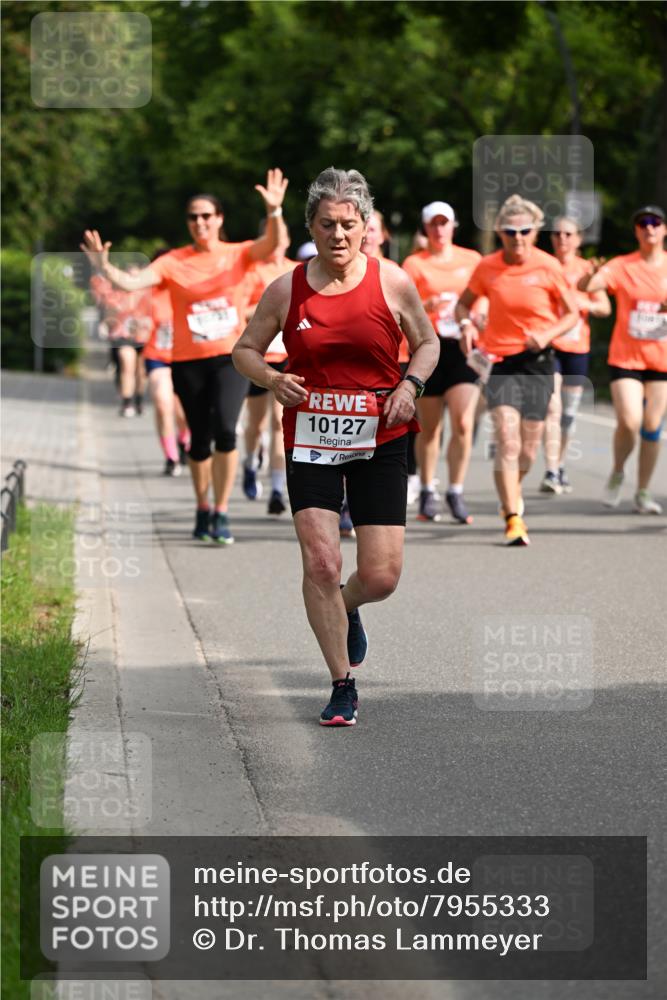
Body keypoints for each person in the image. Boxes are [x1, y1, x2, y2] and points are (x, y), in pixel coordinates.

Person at [233, 167, 438, 726]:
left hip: (382, 434)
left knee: (380, 577)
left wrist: (410, 385)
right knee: (322, 562)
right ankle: (341, 683)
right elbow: (244, 349)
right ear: (313, 227)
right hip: (311, 438)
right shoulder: (287, 288)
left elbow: (427, 341)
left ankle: (345, 608)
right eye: (328, 225)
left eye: (350, 224)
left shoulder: (392, 281)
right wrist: (274, 379)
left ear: (366, 227)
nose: (339, 235)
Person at [81, 169, 289, 544]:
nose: (200, 222)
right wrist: (105, 268)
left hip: (232, 357)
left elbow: (271, 244)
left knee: (227, 431)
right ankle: (202, 505)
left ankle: (221, 511)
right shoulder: (173, 261)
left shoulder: (238, 254)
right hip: (188, 361)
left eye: (207, 215)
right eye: (193, 216)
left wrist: (274, 211)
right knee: (199, 439)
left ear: (219, 220)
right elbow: (132, 282)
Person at [455, 195, 578, 546]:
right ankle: (513, 517)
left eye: (525, 230)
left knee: (528, 448)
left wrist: (547, 334)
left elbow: (570, 313)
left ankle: (513, 490)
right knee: (507, 441)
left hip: (538, 361)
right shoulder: (488, 267)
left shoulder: (548, 266)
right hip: (501, 362)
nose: (518, 237)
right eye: (510, 231)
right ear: (500, 232)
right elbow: (463, 307)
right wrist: (466, 325)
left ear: (535, 232)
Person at [579, 205, 667, 514]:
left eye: (655, 222)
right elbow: (587, 287)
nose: (649, 227)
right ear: (636, 231)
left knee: (653, 426)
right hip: (626, 359)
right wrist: (589, 277)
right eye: (642, 223)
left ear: (664, 229)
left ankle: (642, 491)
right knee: (630, 422)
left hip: (661, 361)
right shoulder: (622, 265)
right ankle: (618, 471)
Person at [402, 202, 486, 524]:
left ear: (453, 226)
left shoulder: (472, 260)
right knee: (430, 427)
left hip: (464, 347)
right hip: (429, 349)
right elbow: (404, 307)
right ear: (426, 228)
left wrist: (479, 317)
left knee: (464, 422)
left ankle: (456, 489)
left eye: (444, 223)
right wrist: (428, 304)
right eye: (433, 224)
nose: (439, 230)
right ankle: (426, 489)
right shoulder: (414, 263)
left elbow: (485, 293)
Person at [540, 217, 611, 493]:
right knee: (552, 408)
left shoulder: (586, 270)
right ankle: (550, 470)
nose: (562, 238)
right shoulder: (544, 266)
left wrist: (583, 303)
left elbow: (605, 307)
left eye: (568, 234)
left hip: (578, 347)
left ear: (579, 239)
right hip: (551, 345)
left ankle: (559, 465)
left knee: (568, 414)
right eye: (556, 233)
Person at [241, 224, 297, 514]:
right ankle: (250, 461)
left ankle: (277, 488)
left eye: (282, 235)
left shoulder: (298, 270)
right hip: (259, 356)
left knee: (279, 421)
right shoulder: (252, 271)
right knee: (256, 423)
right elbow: (241, 309)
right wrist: (271, 310)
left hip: (288, 356)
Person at [141, 248, 191, 476]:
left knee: (182, 411)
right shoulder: (148, 294)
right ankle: (171, 457)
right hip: (157, 357)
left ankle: (185, 440)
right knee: (163, 403)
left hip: (184, 357)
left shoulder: (186, 289)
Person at [90, 269, 150, 417]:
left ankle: (139, 400)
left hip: (143, 337)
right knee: (127, 367)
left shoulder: (146, 294)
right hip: (123, 336)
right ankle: (127, 403)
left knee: (141, 372)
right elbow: (109, 314)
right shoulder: (116, 296)